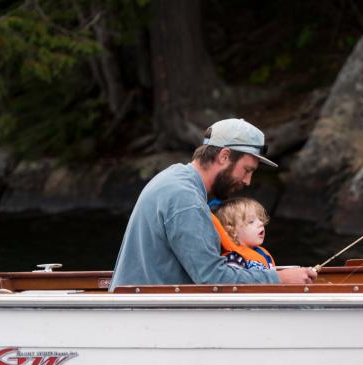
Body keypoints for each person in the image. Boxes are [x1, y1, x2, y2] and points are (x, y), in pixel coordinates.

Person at [109, 118, 316, 289]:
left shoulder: (174, 177)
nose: (247, 181)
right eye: (247, 170)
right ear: (224, 156)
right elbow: (211, 277)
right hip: (145, 317)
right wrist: (279, 279)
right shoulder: (185, 198)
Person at [213, 197, 275, 271]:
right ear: (232, 231)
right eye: (251, 221)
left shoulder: (262, 253)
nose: (261, 223)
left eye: (260, 219)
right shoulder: (234, 259)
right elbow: (233, 280)